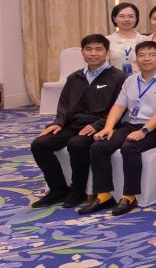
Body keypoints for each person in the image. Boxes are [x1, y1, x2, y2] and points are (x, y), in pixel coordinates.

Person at [79, 41, 156, 216]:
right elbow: (119, 106)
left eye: (152, 55)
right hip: (131, 124)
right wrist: (108, 128)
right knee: (99, 146)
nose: (146, 59)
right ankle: (104, 195)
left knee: (130, 147)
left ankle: (129, 196)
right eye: (142, 55)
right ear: (136, 59)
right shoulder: (131, 80)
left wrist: (144, 131)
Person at [29, 34, 126, 209]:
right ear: (82, 52)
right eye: (88, 49)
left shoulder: (118, 77)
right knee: (40, 144)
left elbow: (119, 108)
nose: (93, 53)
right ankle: (58, 189)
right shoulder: (75, 77)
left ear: (107, 52)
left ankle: (78, 191)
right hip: (72, 124)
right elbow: (64, 104)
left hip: (99, 126)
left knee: (77, 144)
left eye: (98, 49)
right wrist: (58, 122)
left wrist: (98, 125)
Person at [107, 2, 145, 74]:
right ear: (114, 19)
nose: (126, 19)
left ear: (136, 18)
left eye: (131, 16)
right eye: (122, 16)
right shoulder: (107, 41)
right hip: (115, 80)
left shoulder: (145, 40)